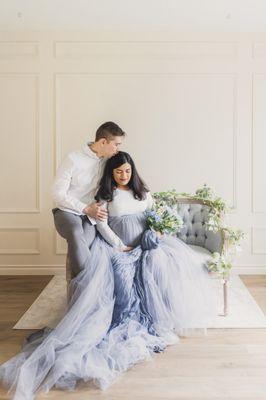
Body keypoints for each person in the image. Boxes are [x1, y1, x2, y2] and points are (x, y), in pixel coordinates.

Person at [0, 152, 217, 400]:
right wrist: (117, 245)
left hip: (144, 245)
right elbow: (102, 225)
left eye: (127, 171)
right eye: (118, 172)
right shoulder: (105, 195)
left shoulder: (143, 192)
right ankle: (122, 321)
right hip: (118, 246)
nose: (124, 175)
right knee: (123, 279)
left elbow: (155, 219)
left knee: (156, 265)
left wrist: (155, 234)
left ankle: (154, 318)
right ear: (111, 174)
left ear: (133, 171)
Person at [52, 121, 125, 280]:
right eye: (116, 145)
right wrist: (86, 208)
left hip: (90, 216)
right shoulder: (73, 158)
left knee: (88, 243)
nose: (117, 149)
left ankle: (81, 287)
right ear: (103, 142)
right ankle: (87, 286)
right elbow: (57, 194)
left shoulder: (108, 161)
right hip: (66, 211)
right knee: (75, 232)